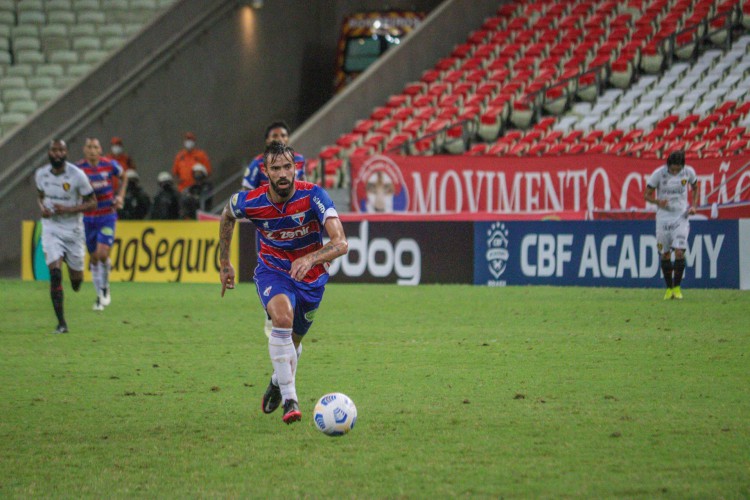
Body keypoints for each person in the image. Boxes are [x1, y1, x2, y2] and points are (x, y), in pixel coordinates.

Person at [219, 141, 348, 424]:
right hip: (273, 270)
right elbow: (227, 215)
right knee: (282, 317)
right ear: (265, 171)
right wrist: (224, 261)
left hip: (311, 278)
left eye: (287, 167)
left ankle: (278, 381)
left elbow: (341, 243)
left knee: (293, 340)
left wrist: (310, 258)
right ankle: (291, 399)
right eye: (275, 168)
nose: (282, 173)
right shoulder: (251, 201)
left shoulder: (314, 196)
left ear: (295, 168)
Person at [241, 121, 306, 338]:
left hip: (297, 229)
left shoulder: (299, 162)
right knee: (273, 270)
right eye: (274, 134)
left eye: (284, 134)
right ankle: (274, 314)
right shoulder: (257, 164)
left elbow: (305, 191)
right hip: (269, 230)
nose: (279, 137)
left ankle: (287, 316)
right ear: (267, 140)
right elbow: (245, 194)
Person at [35, 139, 97, 333]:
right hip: (51, 228)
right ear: (49, 153)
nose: (57, 153)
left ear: (66, 152)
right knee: (54, 273)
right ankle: (62, 323)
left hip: (73, 231)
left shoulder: (77, 176)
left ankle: (75, 277)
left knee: (76, 281)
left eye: (61, 150)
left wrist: (68, 209)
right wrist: (43, 209)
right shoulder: (41, 175)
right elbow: (40, 196)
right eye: (54, 150)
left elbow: (92, 202)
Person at [77, 137, 127, 311]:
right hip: (87, 218)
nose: (92, 150)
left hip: (107, 216)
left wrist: (120, 196)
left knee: (102, 253)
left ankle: (105, 289)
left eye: (95, 147)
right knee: (94, 257)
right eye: (89, 146)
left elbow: (124, 176)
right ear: (85, 150)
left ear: (100, 150)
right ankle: (100, 295)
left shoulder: (109, 165)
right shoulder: (78, 169)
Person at [644, 150, 699, 300]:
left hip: (680, 217)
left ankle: (677, 287)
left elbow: (695, 188)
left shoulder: (688, 172)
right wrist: (657, 202)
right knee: (665, 254)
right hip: (663, 218)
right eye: (672, 169)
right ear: (668, 165)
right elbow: (646, 194)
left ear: (682, 166)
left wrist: (693, 206)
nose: (675, 172)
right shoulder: (659, 174)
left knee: (680, 251)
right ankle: (668, 289)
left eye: (677, 169)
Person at [241, 121, 305, 191]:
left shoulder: (299, 159)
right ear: (267, 140)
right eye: (275, 136)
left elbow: (304, 184)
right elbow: (246, 191)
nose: (280, 139)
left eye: (283, 135)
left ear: (288, 138)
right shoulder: (257, 163)